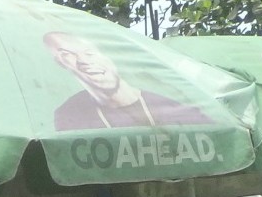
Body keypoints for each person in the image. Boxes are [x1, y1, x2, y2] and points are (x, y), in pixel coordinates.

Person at [45, 31, 213, 130]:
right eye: (68, 56)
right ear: (62, 65)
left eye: (89, 53)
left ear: (111, 56)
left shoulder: (175, 108)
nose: (83, 61)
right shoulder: (70, 115)